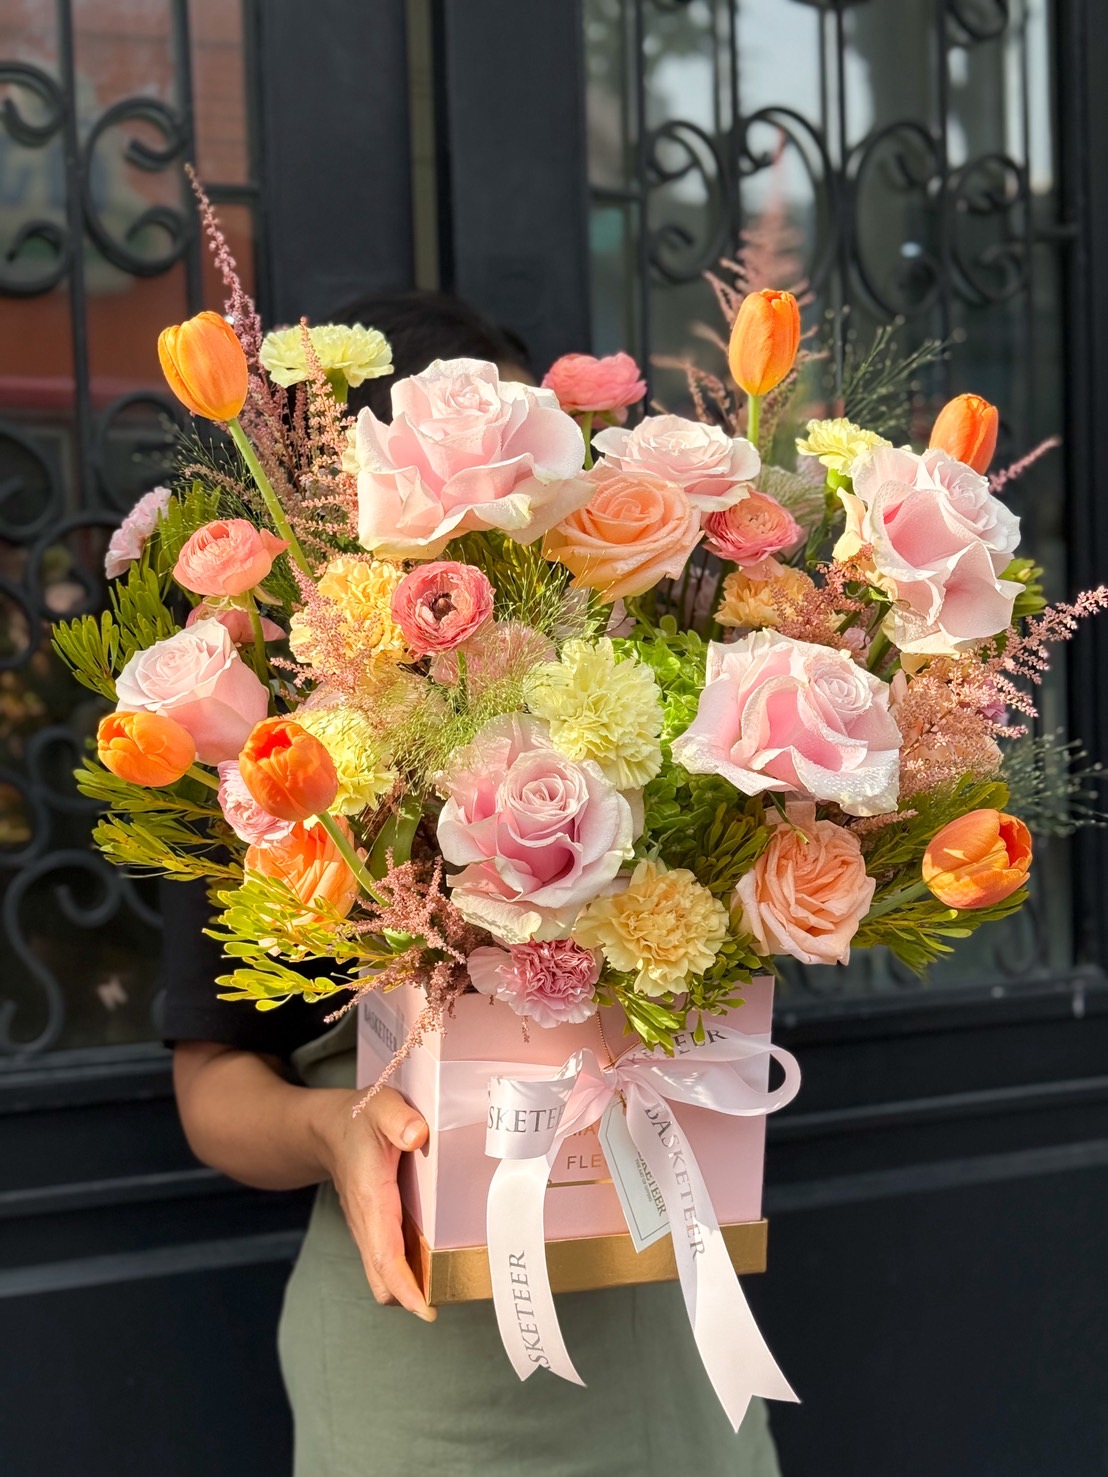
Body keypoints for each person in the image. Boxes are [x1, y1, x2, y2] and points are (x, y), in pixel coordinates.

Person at [162, 289, 782, 1477]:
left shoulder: (650, 694)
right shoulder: (266, 752)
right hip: (415, 1340)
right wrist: (328, 1122)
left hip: (652, 1302)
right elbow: (211, 1083)